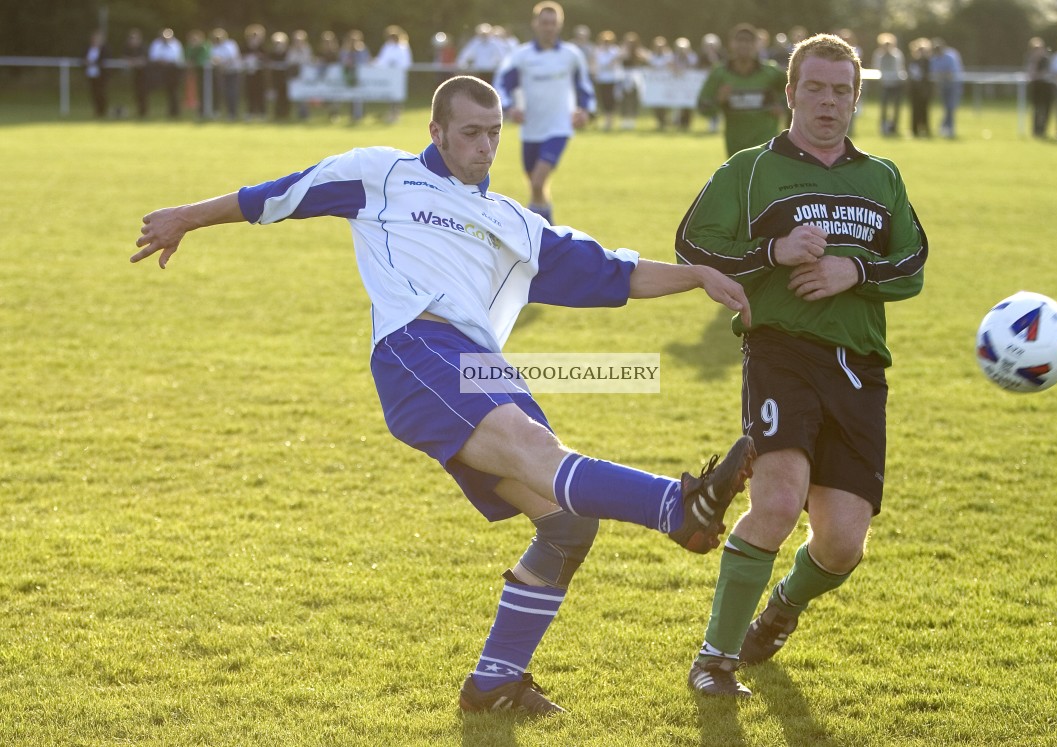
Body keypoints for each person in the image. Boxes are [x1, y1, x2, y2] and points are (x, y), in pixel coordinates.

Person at [131, 74, 755, 716]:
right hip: (416, 351)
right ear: (436, 131)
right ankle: (678, 508)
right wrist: (187, 217)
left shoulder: (513, 220)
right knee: (539, 449)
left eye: (493, 134)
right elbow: (275, 196)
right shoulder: (382, 174)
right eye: (470, 133)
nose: (484, 146)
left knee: (567, 523)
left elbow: (611, 270)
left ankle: (494, 683)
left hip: (483, 368)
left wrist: (697, 275)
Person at [675, 33, 928, 697]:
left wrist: (854, 269)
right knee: (780, 498)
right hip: (780, 351)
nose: (827, 102)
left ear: (855, 99)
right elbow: (691, 245)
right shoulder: (750, 170)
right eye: (814, 88)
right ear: (789, 94)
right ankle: (715, 659)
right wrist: (774, 251)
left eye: (841, 91)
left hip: (860, 367)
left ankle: (783, 605)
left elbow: (913, 263)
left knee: (843, 542)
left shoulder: (883, 178)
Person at [494, 2, 595, 225]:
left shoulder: (571, 54)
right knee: (535, 186)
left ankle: (533, 229)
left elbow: (584, 85)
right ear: (535, 24)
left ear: (559, 25)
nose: (548, 27)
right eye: (544, 22)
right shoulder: (522, 55)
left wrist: (585, 110)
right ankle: (548, 228)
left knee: (538, 182)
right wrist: (510, 107)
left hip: (559, 128)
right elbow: (501, 84)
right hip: (530, 129)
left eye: (553, 23)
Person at [695, 23, 786, 157]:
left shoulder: (771, 72)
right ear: (731, 44)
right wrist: (718, 100)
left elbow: (796, 94)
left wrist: (783, 107)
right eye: (739, 40)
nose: (744, 44)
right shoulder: (720, 73)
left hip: (766, 143)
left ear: (757, 44)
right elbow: (703, 106)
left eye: (749, 41)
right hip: (735, 145)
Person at [374, 25, 413, 123]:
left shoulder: (403, 47)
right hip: (388, 75)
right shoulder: (387, 46)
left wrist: (396, 65)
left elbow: (407, 62)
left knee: (397, 95)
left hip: (399, 75)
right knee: (390, 95)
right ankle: (390, 113)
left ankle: (396, 114)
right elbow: (382, 60)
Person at [870, 32, 906, 136]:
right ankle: (883, 127)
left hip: (896, 83)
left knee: (895, 107)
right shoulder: (878, 54)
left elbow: (900, 68)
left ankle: (894, 127)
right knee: (884, 106)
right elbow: (876, 67)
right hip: (884, 84)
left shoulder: (897, 54)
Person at [929, 38, 963, 138]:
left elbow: (951, 73)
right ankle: (945, 127)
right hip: (942, 85)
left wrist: (942, 75)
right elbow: (934, 72)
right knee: (946, 107)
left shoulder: (951, 56)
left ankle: (948, 128)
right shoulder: (934, 58)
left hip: (953, 85)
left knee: (951, 106)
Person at [148, 28, 185, 118]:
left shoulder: (176, 44)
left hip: (173, 70)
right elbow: (153, 56)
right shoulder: (156, 44)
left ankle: (175, 112)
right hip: (158, 69)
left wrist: (167, 61)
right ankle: (148, 111)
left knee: (173, 91)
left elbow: (178, 58)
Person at [592, 30, 623, 131]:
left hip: (612, 79)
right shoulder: (598, 51)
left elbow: (615, 64)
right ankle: (605, 121)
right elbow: (598, 64)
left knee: (611, 100)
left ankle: (610, 121)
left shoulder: (615, 51)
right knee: (603, 100)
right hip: (601, 79)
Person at [210, 28, 242, 120]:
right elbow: (213, 59)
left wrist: (222, 64)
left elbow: (232, 57)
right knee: (220, 92)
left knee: (232, 92)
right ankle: (219, 111)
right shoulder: (214, 46)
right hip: (221, 72)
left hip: (233, 72)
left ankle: (232, 113)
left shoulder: (230, 44)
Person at [907, 37, 933, 138]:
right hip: (914, 90)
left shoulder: (928, 61)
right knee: (914, 110)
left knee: (924, 110)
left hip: (924, 89)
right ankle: (914, 130)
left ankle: (926, 130)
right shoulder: (912, 61)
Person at [243, 24, 268, 120]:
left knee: (260, 93)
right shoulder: (245, 47)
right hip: (249, 73)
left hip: (260, 73)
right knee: (250, 93)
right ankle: (250, 112)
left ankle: (262, 113)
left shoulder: (262, 47)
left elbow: (266, 58)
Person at [84, 30, 110, 119]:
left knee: (101, 92)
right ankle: (96, 110)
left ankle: (103, 110)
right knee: (93, 93)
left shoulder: (104, 49)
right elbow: (82, 58)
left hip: (100, 75)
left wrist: (93, 62)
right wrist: (86, 62)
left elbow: (103, 61)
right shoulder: (88, 48)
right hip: (91, 74)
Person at [123, 28, 149, 119]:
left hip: (143, 75)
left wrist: (133, 62)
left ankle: (144, 111)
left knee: (143, 92)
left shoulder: (143, 47)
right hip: (134, 75)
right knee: (136, 93)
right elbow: (125, 58)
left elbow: (143, 60)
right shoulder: (128, 48)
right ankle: (139, 110)